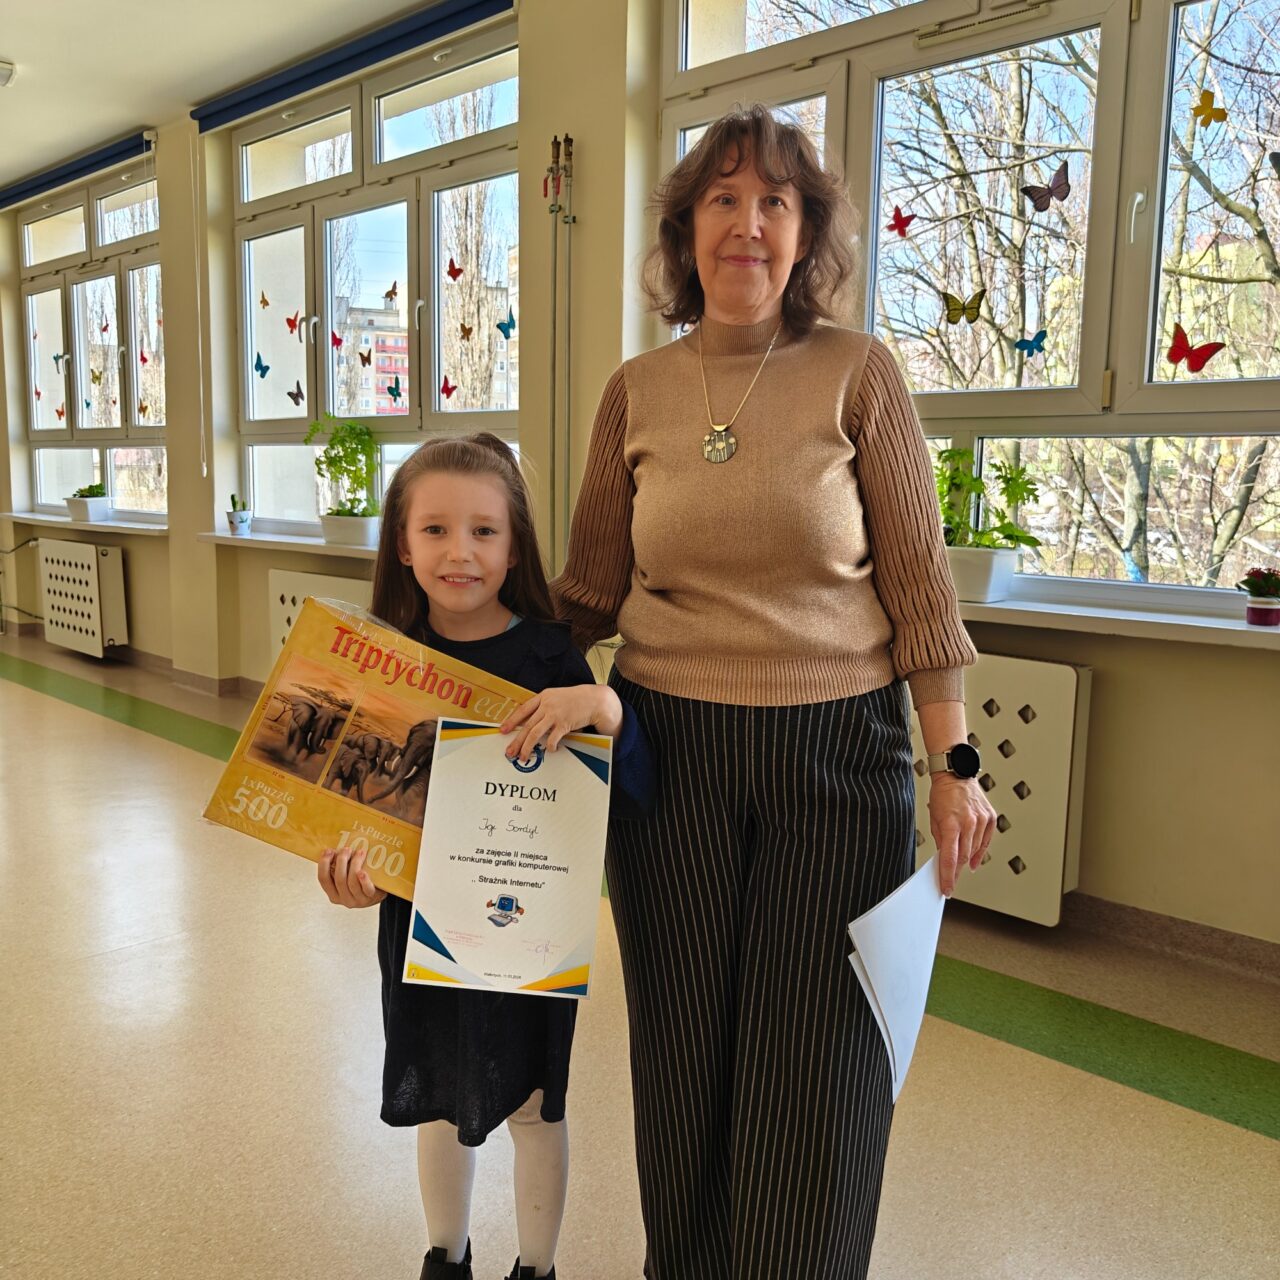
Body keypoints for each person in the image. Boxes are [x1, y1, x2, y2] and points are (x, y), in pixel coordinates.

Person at [547, 106, 998, 1279]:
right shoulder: (636, 390)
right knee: (683, 1043)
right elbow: (585, 591)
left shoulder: (858, 373)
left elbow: (919, 590)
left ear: (805, 236)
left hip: (837, 755)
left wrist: (953, 767)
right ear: (684, 229)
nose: (746, 223)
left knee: (820, 1057)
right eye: (722, 199)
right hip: (665, 754)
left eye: (773, 202)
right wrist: (449, 659)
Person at [316, 433, 653, 1280]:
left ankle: (537, 1267)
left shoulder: (550, 659)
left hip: (529, 928)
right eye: (434, 530)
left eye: (484, 531)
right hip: (421, 926)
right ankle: (447, 1257)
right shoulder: (382, 663)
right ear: (402, 545)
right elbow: (350, 812)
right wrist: (351, 877)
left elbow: (629, 792)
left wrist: (605, 708)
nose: (459, 552)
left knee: (535, 1106)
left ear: (513, 548)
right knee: (437, 1097)